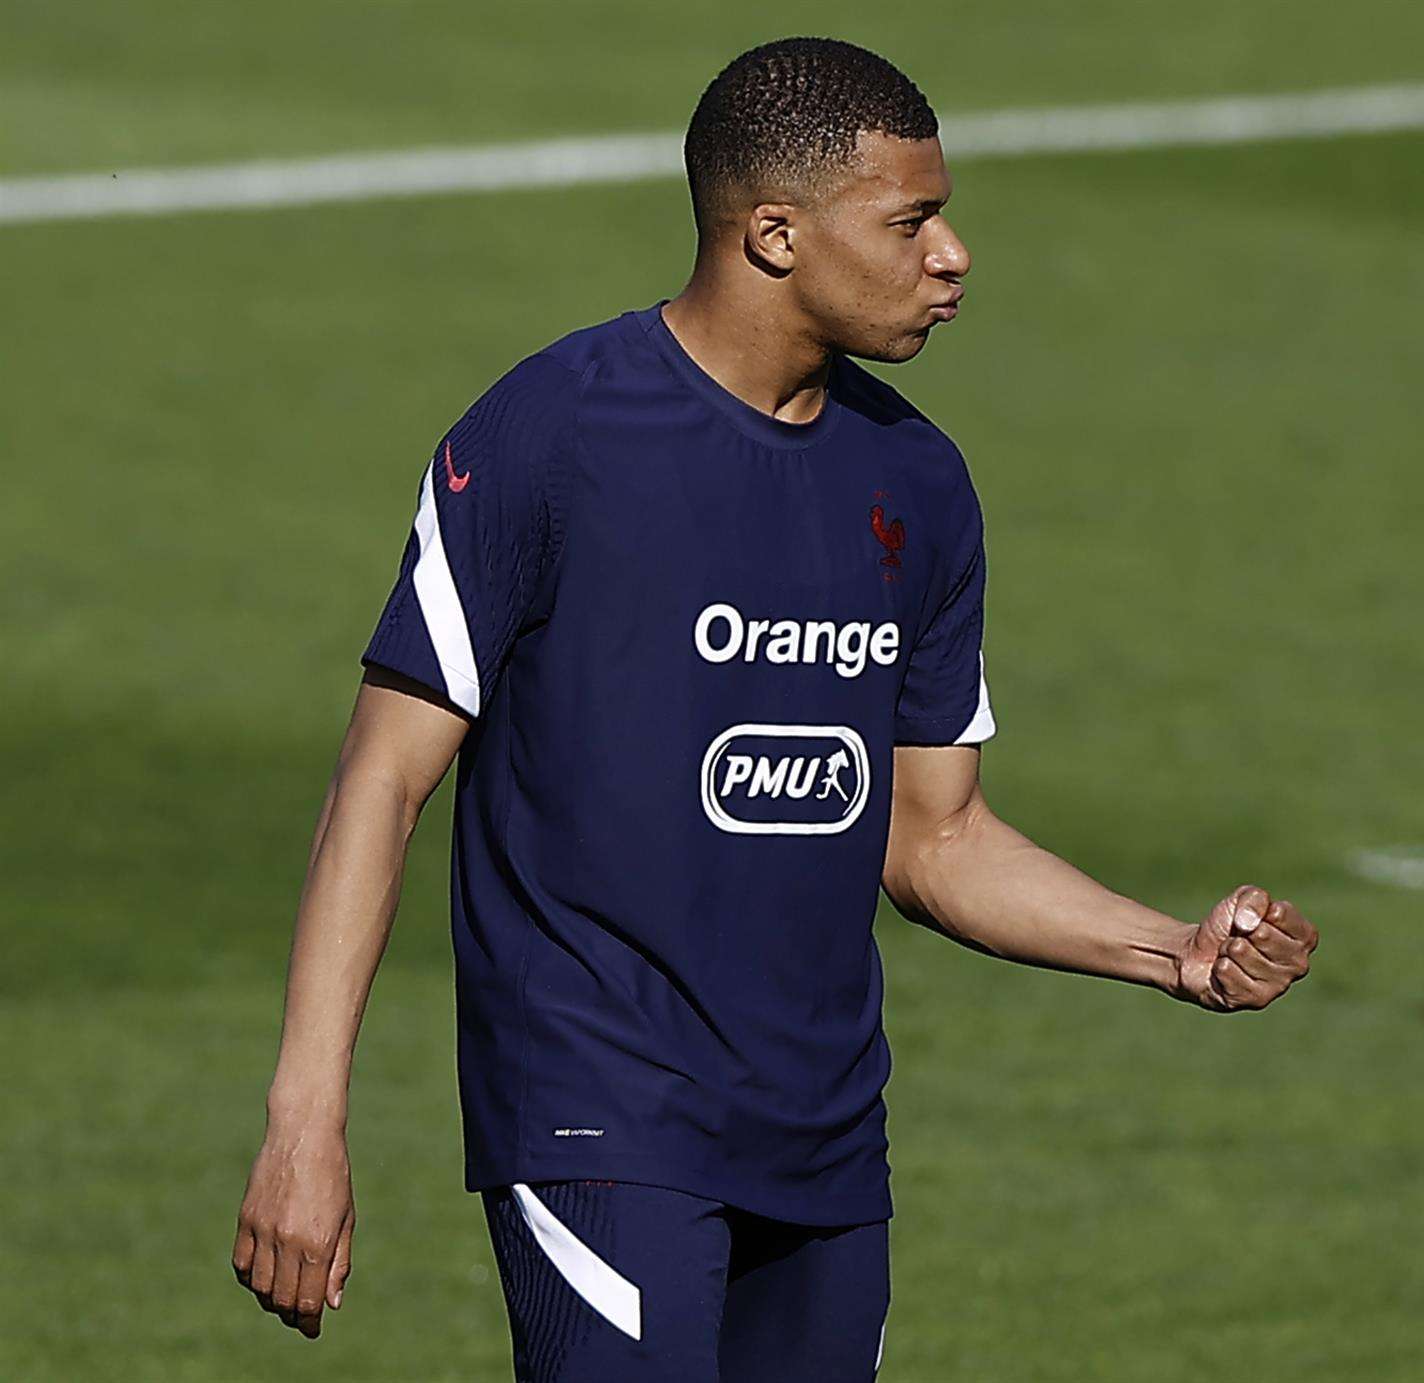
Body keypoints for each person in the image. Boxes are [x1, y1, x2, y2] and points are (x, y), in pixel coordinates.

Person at [230, 35, 1319, 1382]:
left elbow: (933, 839)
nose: (953, 254)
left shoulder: (917, 483)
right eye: (911, 220)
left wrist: (1172, 954)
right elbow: (382, 781)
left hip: (824, 1140)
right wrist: (303, 1121)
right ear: (773, 234)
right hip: (596, 1119)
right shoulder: (549, 438)